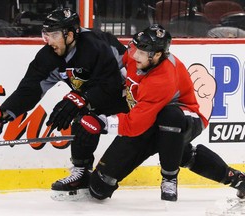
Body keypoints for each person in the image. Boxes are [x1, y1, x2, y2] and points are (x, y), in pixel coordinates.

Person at [56, 24, 245, 201]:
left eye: (142, 53)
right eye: (135, 49)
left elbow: (134, 124)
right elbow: (116, 76)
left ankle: (170, 177)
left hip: (185, 118)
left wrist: (103, 123)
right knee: (99, 189)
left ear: (156, 55)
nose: (135, 56)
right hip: (149, 119)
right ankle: (236, 179)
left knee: (169, 118)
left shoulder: (163, 78)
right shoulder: (135, 55)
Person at [0, 7, 128, 195]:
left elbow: (111, 82)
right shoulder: (48, 55)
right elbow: (29, 89)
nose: (48, 41)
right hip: (98, 93)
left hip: (128, 95)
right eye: (45, 34)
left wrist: (80, 98)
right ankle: (81, 172)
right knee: (82, 121)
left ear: (70, 35)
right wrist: (3, 114)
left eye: (54, 35)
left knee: (78, 107)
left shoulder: (95, 46)